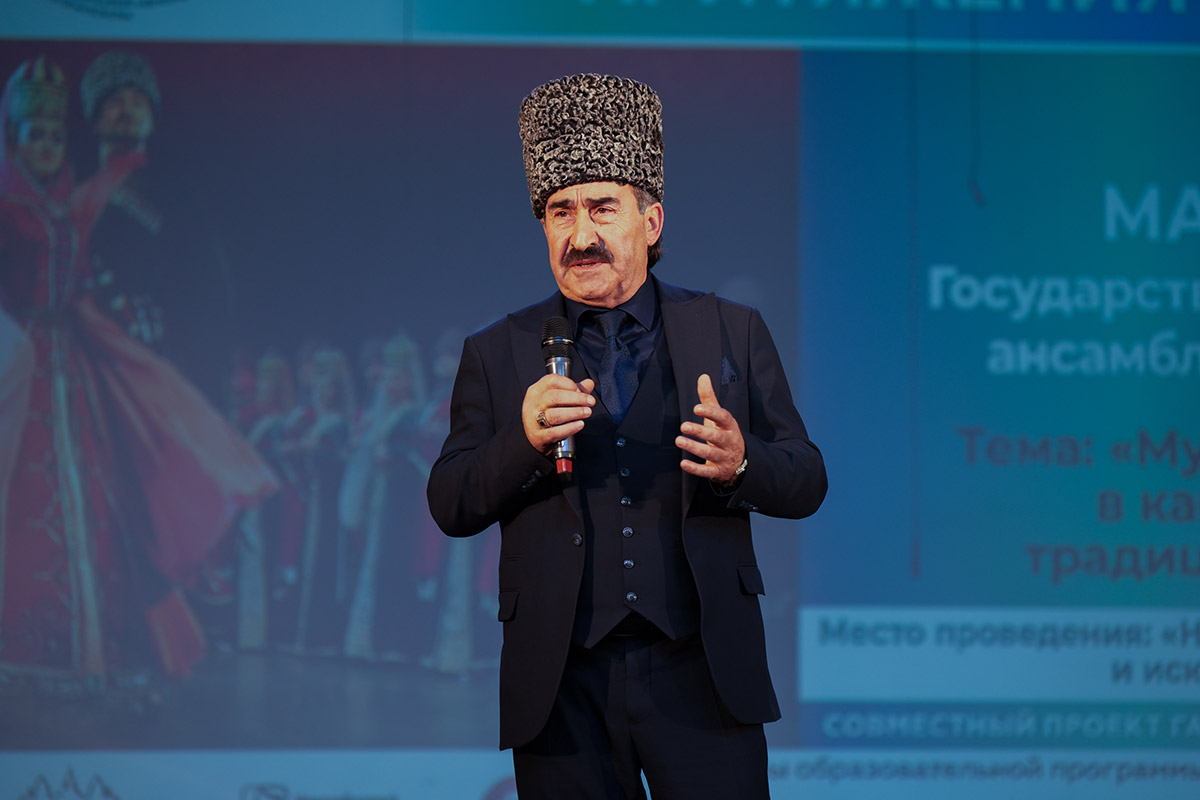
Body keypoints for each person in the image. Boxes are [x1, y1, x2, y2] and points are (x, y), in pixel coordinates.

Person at [426, 74, 827, 799]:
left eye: (602, 208)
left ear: (652, 221)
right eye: (560, 211)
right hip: (562, 686)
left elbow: (806, 477)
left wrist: (743, 463)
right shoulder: (497, 350)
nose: (580, 236)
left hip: (703, 674)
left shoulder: (730, 329)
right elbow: (450, 502)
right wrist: (521, 440)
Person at [0, 55, 278, 690]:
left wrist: (168, 347)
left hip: (135, 367)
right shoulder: (63, 196)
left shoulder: (168, 195)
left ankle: (139, 639)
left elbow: (202, 290)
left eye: (136, 101)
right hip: (63, 364)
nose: (125, 110)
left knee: (134, 497)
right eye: (112, 101)